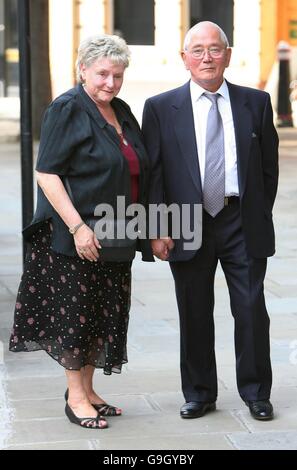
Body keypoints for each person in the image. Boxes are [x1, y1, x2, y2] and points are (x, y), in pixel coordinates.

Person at [9, 34, 153, 429]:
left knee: (102, 316)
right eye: (103, 74)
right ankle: (75, 398)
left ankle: (89, 391)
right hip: (76, 238)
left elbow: (138, 167)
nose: (110, 83)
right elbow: (46, 172)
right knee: (76, 316)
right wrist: (78, 227)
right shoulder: (67, 108)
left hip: (118, 233)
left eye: (118, 75)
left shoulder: (121, 110)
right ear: (83, 70)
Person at [142, 21, 278, 421]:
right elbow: (154, 174)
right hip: (187, 220)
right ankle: (200, 393)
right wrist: (157, 227)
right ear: (184, 59)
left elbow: (268, 169)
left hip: (240, 220)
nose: (207, 57)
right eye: (197, 50)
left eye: (215, 49)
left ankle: (256, 392)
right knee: (194, 310)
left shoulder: (257, 103)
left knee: (252, 309)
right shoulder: (160, 107)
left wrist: (256, 212)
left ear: (228, 56)